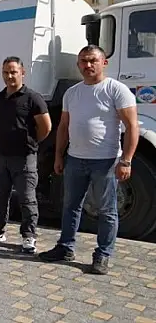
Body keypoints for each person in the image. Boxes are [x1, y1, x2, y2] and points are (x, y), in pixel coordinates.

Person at [39, 45, 139, 274]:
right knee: (70, 206)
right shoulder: (72, 93)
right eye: (83, 61)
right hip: (75, 159)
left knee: (106, 210)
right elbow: (63, 127)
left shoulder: (117, 90)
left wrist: (126, 160)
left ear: (104, 62)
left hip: (105, 162)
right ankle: (65, 247)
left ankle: (103, 254)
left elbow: (132, 126)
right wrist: (58, 156)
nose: (87, 65)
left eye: (93, 60)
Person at [0, 58, 51, 253]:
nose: (9, 76)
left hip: (25, 157)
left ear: (22, 72)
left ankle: (28, 236)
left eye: (13, 72)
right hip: (1, 157)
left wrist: (30, 141)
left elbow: (45, 127)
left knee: (27, 199)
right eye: (6, 72)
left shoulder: (32, 98)